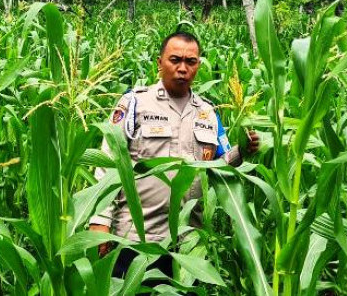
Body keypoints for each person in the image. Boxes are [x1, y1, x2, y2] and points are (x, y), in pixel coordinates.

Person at [89, 31, 259, 279]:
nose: (182, 68)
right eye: (175, 60)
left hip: (188, 242)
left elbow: (218, 165)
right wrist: (100, 219)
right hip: (136, 238)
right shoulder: (135, 104)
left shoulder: (209, 114)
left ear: (198, 65)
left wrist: (242, 151)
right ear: (160, 63)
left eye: (190, 62)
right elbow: (108, 162)